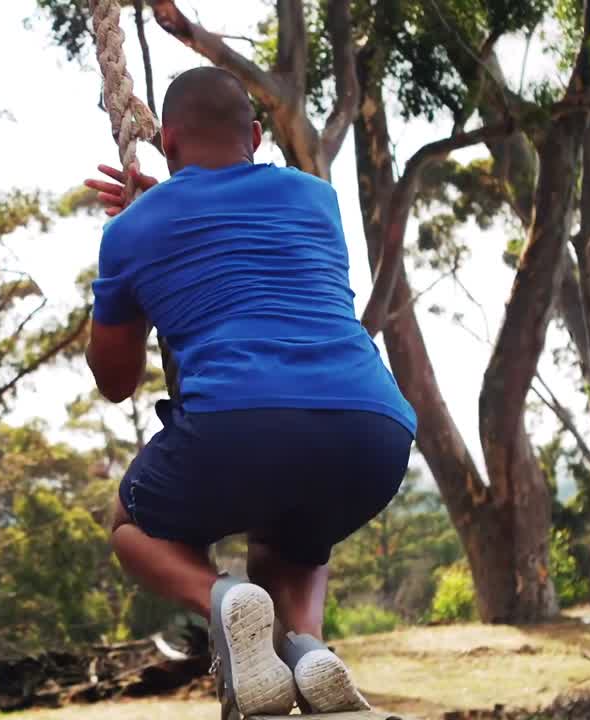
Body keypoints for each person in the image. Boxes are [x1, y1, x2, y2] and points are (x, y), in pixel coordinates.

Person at [81, 66, 417, 717]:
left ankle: (226, 598)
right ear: (256, 136)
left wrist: (125, 261)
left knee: (130, 527)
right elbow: (246, 246)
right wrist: (164, 221)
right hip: (373, 434)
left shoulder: (132, 230)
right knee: (290, 536)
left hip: (239, 424)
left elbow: (116, 380)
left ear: (167, 141)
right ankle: (309, 652)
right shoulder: (315, 198)